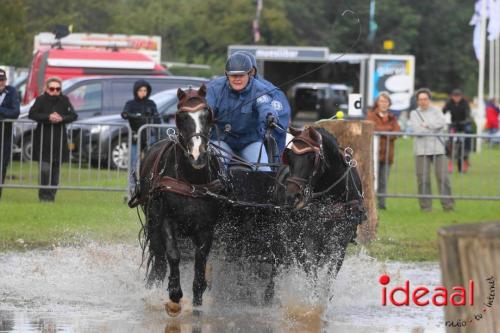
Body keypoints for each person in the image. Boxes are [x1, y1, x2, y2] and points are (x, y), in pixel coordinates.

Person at [208, 52, 291, 161]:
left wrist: (270, 116)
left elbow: (264, 106)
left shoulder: (260, 89)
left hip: (249, 142)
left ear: (250, 74)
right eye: (233, 75)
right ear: (227, 74)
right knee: (216, 168)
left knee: (263, 171)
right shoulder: (214, 88)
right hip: (221, 141)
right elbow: (207, 108)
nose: (237, 79)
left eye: (241, 75)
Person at [28, 77, 77, 202]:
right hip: (43, 140)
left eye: (58, 89)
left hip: (59, 141)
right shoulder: (40, 100)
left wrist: (62, 118)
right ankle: (43, 197)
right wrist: (48, 117)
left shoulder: (64, 100)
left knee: (55, 171)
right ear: (47, 89)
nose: (55, 91)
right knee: (45, 170)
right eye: (52, 88)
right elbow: (32, 114)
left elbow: (73, 115)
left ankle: (51, 196)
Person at [409, 88, 454, 212]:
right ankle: (426, 207)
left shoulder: (437, 111)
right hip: (421, 151)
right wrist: (433, 127)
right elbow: (417, 131)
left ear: (429, 100)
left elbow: (442, 123)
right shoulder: (414, 113)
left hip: (438, 149)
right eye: (420, 99)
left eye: (425, 99)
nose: (423, 101)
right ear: (417, 101)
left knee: (443, 178)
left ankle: (448, 205)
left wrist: (427, 125)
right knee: (423, 180)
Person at [121, 79, 161, 194]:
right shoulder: (131, 104)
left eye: (145, 90)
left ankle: (150, 186)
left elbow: (157, 119)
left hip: (150, 137)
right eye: (140, 90)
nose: (143, 92)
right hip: (136, 137)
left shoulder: (151, 103)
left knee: (152, 162)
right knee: (133, 164)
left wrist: (154, 117)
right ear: (136, 91)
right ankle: (132, 189)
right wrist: (136, 116)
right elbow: (124, 114)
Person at [366, 92, 400, 210]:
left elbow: (396, 133)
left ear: (389, 104)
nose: (384, 104)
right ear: (377, 103)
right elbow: (371, 128)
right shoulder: (371, 115)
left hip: (387, 154)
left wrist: (383, 132)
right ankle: (370, 204)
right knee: (371, 180)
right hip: (373, 154)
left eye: (386, 101)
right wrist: (387, 130)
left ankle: (382, 204)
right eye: (381, 101)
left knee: (384, 180)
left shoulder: (392, 117)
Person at [0, 69, 21, 200]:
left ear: (5, 81)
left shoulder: (12, 91)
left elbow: (15, 112)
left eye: (2, 80)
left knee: (2, 166)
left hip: (5, 137)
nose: (0, 83)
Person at [442, 89, 472, 173]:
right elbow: (443, 111)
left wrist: (466, 120)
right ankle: (449, 153)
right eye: (454, 96)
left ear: (461, 96)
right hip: (454, 123)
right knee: (450, 137)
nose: (456, 98)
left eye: (458, 96)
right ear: (452, 96)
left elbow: (468, 114)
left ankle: (467, 149)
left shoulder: (465, 103)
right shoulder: (449, 102)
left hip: (463, 123)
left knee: (468, 131)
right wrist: (443, 111)